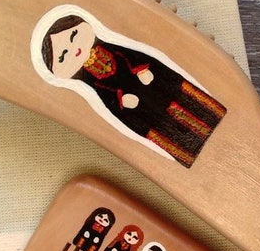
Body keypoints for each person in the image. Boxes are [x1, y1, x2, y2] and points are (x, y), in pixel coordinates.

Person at [40, 14, 226, 168]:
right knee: (167, 128)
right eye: (63, 56)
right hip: (139, 111)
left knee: (189, 104)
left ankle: (213, 117)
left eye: (74, 36)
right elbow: (105, 94)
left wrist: (141, 69)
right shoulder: (89, 82)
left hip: (157, 84)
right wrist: (120, 100)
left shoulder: (111, 47)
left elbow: (133, 57)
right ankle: (191, 153)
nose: (74, 49)